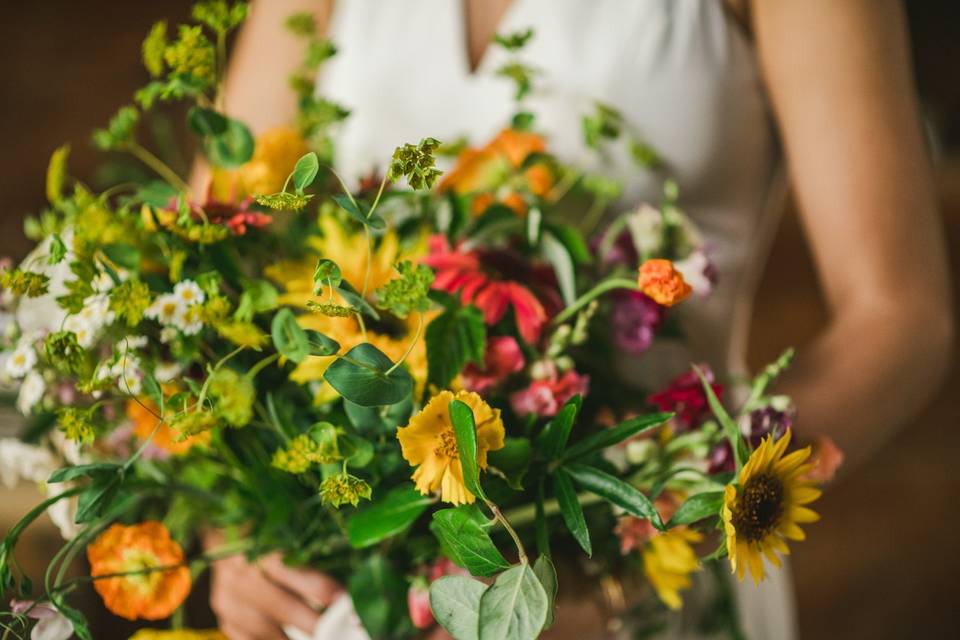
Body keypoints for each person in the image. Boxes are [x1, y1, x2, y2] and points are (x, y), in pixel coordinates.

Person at [203, 1, 953, 638]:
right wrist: (233, 524)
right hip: (351, 592)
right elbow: (214, 266)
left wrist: (643, 532)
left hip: (636, 586)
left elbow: (899, 318)